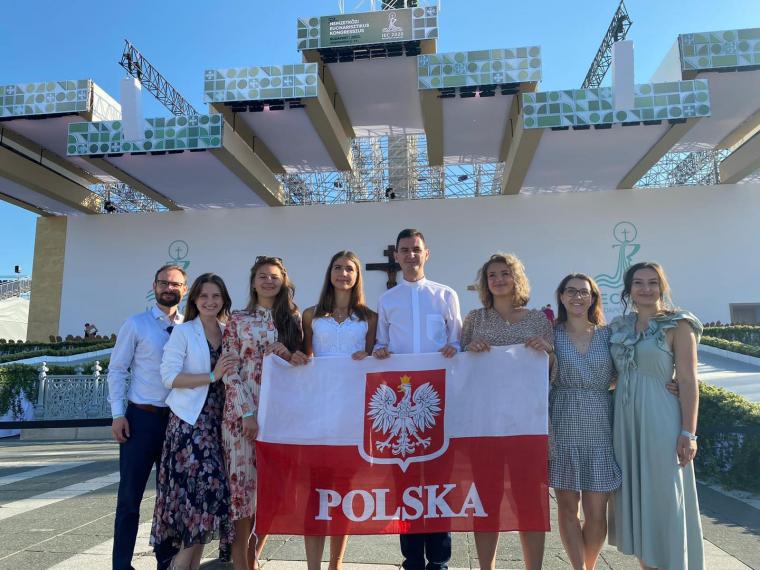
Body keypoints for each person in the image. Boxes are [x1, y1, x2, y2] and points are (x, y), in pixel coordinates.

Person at [372, 229, 461, 570]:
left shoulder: (446, 295)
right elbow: (381, 343)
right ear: (396, 255)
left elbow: (457, 342)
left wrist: (455, 349)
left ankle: (439, 560)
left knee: (439, 483)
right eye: (405, 250)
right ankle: (411, 559)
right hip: (402, 407)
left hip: (437, 400)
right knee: (406, 483)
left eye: (416, 249)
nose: (411, 255)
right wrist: (380, 352)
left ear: (427, 254)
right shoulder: (387, 300)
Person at [460, 253, 553, 570]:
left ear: (516, 278)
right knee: (486, 500)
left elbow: (551, 371)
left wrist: (547, 352)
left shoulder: (538, 320)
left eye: (504, 273)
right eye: (492, 275)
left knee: (529, 500)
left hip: (526, 426)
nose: (498, 280)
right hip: (486, 427)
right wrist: (470, 351)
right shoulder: (474, 320)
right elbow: (461, 370)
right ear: (485, 283)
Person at [608, 262, 703, 570]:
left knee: (665, 495)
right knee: (637, 496)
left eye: (652, 282)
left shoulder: (679, 324)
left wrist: (688, 432)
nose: (646, 288)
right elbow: (611, 374)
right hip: (625, 422)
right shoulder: (619, 326)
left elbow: (688, 379)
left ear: (662, 287)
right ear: (629, 290)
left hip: (662, 417)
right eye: (638, 282)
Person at [292, 251, 378, 570]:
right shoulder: (311, 315)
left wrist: (372, 356)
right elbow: (305, 357)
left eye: (349, 269)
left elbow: (375, 358)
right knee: (315, 495)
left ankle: (335, 564)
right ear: (330, 273)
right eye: (338, 268)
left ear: (357, 276)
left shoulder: (370, 317)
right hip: (317, 414)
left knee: (343, 494)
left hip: (352, 416)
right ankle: (313, 565)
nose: (343, 273)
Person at [151, 273, 238, 569]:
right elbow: (169, 377)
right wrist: (212, 376)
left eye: (216, 296)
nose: (210, 301)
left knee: (208, 498)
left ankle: (187, 564)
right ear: (195, 300)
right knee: (199, 495)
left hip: (220, 423)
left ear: (224, 299)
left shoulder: (229, 331)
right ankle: (179, 564)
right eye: (204, 296)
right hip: (190, 424)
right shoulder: (185, 332)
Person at [222, 256, 303, 570]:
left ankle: (253, 557)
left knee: (272, 493)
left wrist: (289, 354)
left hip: (280, 416)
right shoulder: (238, 319)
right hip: (242, 418)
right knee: (243, 493)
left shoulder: (292, 318)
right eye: (262, 276)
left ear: (283, 281)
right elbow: (230, 369)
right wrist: (246, 413)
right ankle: (241, 563)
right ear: (253, 282)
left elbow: (301, 365)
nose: (269, 281)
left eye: (274, 276)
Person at [108, 264, 188, 570]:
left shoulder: (190, 327)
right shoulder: (136, 324)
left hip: (177, 422)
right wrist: (118, 414)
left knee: (170, 499)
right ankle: (121, 565)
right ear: (154, 286)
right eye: (164, 283)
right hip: (141, 419)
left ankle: (166, 562)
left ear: (185, 289)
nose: (169, 288)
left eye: (175, 284)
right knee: (130, 497)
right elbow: (117, 370)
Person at [550, 274, 620, 570]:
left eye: (583, 292)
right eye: (571, 291)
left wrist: (671, 382)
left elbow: (630, 371)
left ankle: (587, 566)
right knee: (568, 509)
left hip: (600, 424)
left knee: (596, 513)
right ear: (561, 296)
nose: (577, 297)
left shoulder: (608, 335)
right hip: (562, 421)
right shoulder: (550, 334)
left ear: (593, 298)